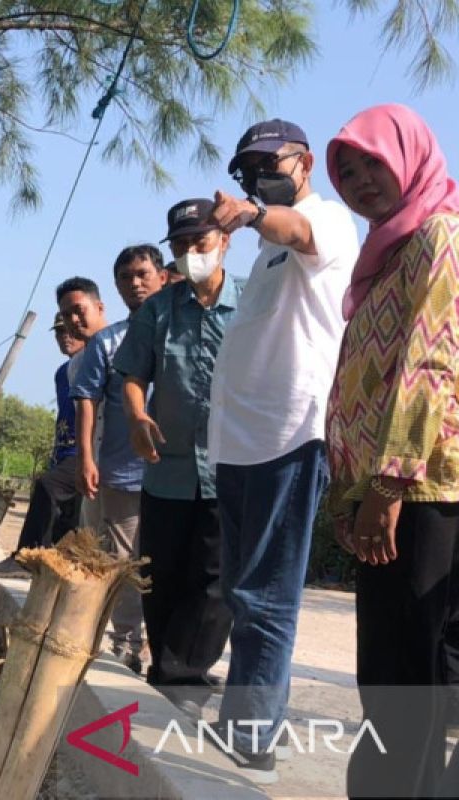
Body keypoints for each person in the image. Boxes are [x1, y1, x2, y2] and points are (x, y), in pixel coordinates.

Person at [205, 119, 360, 783]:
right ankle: (240, 719)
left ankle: (255, 734)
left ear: (303, 165)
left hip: (289, 436)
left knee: (267, 595)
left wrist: (249, 213)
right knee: (242, 591)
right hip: (240, 445)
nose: (256, 176)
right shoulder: (265, 252)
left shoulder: (323, 221)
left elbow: (294, 231)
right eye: (246, 170)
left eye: (268, 164)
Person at [324, 104, 459, 798]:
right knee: (392, 670)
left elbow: (430, 365)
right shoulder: (384, 253)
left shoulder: (438, 233)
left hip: (420, 487)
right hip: (382, 484)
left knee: (403, 673)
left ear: (406, 154)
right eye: (347, 171)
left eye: (372, 161)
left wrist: (386, 487)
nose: (361, 180)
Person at [113, 198, 242, 717]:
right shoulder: (157, 312)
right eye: (182, 245)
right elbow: (132, 376)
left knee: (215, 580)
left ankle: (181, 675)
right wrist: (138, 417)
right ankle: (171, 666)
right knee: (161, 574)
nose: (192, 253)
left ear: (225, 241)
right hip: (167, 469)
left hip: (231, 466)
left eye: (201, 242)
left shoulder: (252, 303)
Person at [70, 252, 167, 674]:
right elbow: (86, 401)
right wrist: (87, 456)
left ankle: (165, 647)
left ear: (162, 277)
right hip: (122, 473)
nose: (135, 283)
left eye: (143, 274)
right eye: (125, 277)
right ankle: (126, 642)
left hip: (177, 474)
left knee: (168, 563)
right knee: (125, 564)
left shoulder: (179, 332)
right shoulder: (108, 343)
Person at [0, 312, 86, 577]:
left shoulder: (93, 364)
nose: (65, 337)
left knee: (49, 486)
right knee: (67, 513)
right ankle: (51, 565)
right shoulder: (62, 374)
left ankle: (26, 559)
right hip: (65, 451)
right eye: (59, 332)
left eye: (70, 331)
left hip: (86, 450)